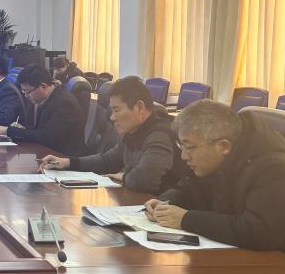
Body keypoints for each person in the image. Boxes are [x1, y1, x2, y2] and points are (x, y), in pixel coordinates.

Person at [144, 100, 285, 270]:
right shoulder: (213, 162)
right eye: (181, 146)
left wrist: (186, 219)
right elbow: (187, 187)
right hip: (244, 262)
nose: (184, 156)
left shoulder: (273, 168)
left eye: (189, 146)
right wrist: (164, 202)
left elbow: (259, 233)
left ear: (223, 146)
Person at [39, 77, 184, 193]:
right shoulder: (133, 131)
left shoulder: (159, 135)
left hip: (161, 213)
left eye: (117, 110)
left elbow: (143, 181)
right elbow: (108, 161)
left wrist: (124, 176)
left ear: (139, 107)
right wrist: (68, 162)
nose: (112, 117)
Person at [0, 64, 85, 156]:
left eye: (28, 91)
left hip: (64, 158)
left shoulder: (64, 103)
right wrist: (23, 130)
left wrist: (9, 131)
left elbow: (47, 137)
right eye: (23, 92)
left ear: (43, 86)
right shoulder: (47, 99)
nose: (26, 96)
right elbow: (41, 131)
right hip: (47, 154)